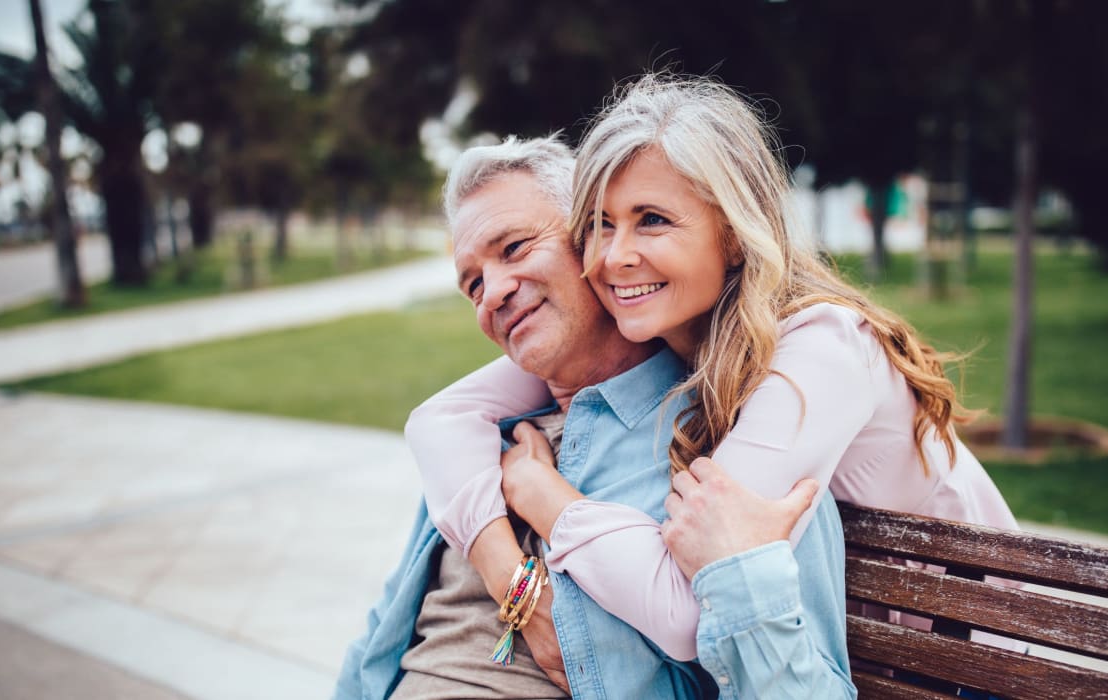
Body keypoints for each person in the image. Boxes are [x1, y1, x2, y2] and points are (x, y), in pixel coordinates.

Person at [407, 72, 1020, 671]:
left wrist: (543, 497)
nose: (615, 256)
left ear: (732, 234)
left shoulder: (824, 348)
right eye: (599, 224)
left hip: (974, 668)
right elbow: (442, 418)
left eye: (652, 219)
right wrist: (504, 569)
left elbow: (686, 610)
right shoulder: (656, 327)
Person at [335, 135, 853, 700]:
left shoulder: (735, 457)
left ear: (592, 244)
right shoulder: (478, 450)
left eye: (513, 248)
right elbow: (381, 635)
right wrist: (518, 587)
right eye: (473, 284)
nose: (492, 295)